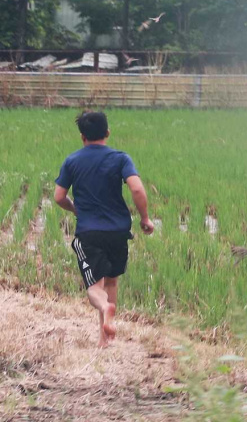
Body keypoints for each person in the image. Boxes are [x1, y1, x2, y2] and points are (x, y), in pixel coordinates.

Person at [54, 111, 154, 348]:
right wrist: (145, 218)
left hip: (89, 232)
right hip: (119, 231)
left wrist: (75, 209)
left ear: (82, 137)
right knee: (111, 282)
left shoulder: (72, 161)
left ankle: (104, 308)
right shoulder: (120, 158)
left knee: (94, 287)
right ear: (107, 133)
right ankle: (104, 340)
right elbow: (137, 189)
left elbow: (59, 197)